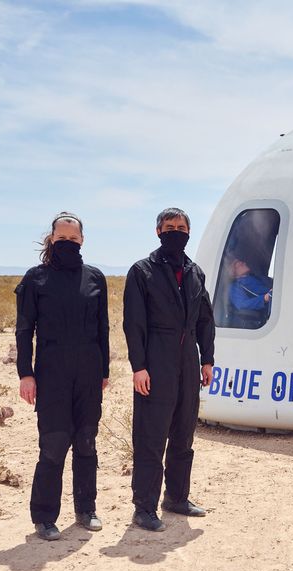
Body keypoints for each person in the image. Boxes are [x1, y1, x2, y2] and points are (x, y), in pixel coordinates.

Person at [15, 212, 109, 541]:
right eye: (62, 238)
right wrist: (26, 374)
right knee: (54, 445)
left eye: (73, 238)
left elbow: (103, 328)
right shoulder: (35, 278)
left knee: (86, 441)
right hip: (52, 371)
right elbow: (24, 331)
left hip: (88, 371)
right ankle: (44, 517)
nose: (67, 243)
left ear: (82, 241)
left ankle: (86, 509)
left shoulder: (95, 278)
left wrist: (104, 371)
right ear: (52, 239)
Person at [123, 207, 215, 532]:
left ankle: (177, 497)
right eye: (169, 226)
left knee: (183, 432)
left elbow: (205, 319)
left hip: (188, 359)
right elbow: (133, 324)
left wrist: (207, 359)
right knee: (151, 435)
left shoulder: (194, 272)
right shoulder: (142, 271)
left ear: (188, 232)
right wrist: (140, 367)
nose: (175, 231)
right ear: (158, 232)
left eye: (181, 226)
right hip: (156, 359)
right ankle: (144, 507)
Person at [227, 257, 273, 324]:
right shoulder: (234, 287)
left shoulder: (259, 277)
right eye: (240, 264)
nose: (244, 263)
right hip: (269, 312)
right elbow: (242, 304)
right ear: (233, 272)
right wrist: (264, 298)